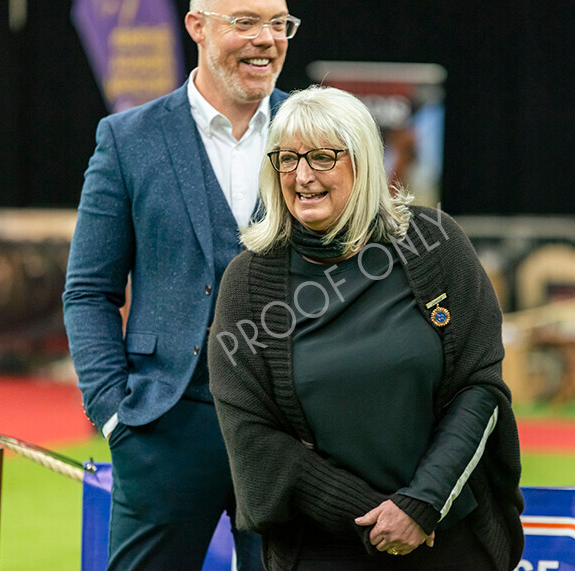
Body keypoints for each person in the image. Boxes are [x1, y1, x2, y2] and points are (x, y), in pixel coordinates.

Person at [207, 85, 525, 570]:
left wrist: (421, 505)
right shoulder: (248, 283)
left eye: (322, 157)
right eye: (286, 159)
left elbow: (479, 387)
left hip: (447, 536)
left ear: (364, 164)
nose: (302, 175)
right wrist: (375, 518)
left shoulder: (434, 243)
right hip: (322, 549)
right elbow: (253, 437)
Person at [62, 1, 301, 568]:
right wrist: (114, 412)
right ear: (197, 26)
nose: (266, 39)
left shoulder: (322, 131)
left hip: (295, 436)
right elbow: (89, 291)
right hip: (164, 426)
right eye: (245, 22)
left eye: (279, 23)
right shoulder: (127, 139)